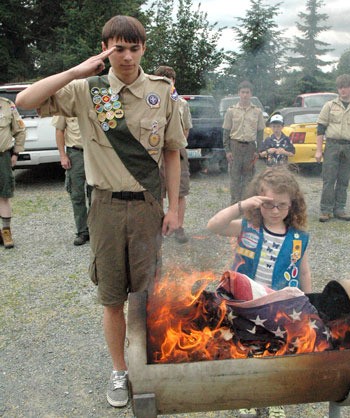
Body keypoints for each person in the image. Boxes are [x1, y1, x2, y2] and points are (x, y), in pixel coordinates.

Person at [16, 15, 186, 408]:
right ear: (105, 47)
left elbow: (173, 153)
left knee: (147, 296)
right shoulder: (86, 90)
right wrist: (79, 69)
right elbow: (24, 100)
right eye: (117, 48)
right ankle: (119, 371)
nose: (126, 56)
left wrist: (175, 208)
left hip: (147, 207)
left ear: (143, 48)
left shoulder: (163, 92)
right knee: (112, 297)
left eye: (133, 47)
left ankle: (147, 364)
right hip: (106, 208)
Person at [207, 165, 311, 418]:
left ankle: (276, 397)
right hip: (245, 303)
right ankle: (248, 395)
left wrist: (309, 302)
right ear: (258, 203)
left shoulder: (299, 237)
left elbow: (304, 272)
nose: (275, 211)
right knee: (246, 348)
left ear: (292, 205)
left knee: (278, 350)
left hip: (279, 306)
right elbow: (213, 226)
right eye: (268, 204)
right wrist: (242, 205)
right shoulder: (246, 227)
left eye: (282, 205)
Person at [315, 74, 350, 222]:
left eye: (346, 87)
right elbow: (320, 129)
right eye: (340, 87)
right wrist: (319, 150)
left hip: (349, 147)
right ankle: (325, 210)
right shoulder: (329, 106)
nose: (343, 90)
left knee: (344, 180)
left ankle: (339, 209)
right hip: (332, 145)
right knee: (328, 180)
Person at [154, 65, 192, 243]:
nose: (166, 84)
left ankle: (178, 226)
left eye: (169, 81)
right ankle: (158, 227)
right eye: (162, 80)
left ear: (174, 82)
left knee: (179, 191)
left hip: (176, 150)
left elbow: (185, 129)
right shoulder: (151, 103)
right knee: (157, 192)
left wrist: (174, 146)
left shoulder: (182, 103)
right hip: (155, 152)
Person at [223, 81, 265, 204]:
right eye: (243, 92)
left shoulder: (257, 112)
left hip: (250, 147)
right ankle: (235, 204)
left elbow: (260, 133)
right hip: (235, 145)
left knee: (249, 177)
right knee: (235, 177)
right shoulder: (231, 111)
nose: (245, 95)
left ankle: (247, 204)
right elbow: (226, 132)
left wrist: (258, 151)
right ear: (239, 93)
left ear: (251, 94)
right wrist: (227, 150)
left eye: (247, 92)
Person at [53, 116, 91, 245]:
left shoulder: (94, 100)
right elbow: (59, 130)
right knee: (77, 195)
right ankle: (82, 231)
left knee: (97, 194)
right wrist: (63, 156)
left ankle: (96, 230)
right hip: (76, 153)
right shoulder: (66, 105)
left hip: (95, 153)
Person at [0, 97, 26, 249]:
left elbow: (20, 130)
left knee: (4, 194)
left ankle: (6, 232)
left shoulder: (7, 105)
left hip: (2, 157)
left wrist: (16, 153)